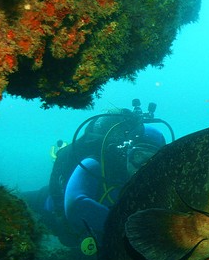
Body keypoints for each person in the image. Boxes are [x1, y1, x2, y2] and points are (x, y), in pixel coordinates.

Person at [44, 100, 174, 249]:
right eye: (139, 157)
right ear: (125, 153)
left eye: (152, 161)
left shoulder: (156, 181)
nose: (144, 167)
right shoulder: (95, 164)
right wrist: (132, 231)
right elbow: (75, 204)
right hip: (49, 210)